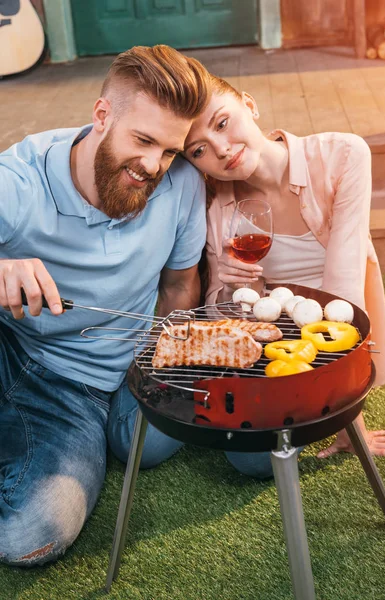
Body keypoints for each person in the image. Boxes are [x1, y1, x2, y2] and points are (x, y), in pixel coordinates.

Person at [0, 45, 212, 566]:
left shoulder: (181, 185)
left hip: (82, 393)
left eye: (168, 150)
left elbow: (181, 287)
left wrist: (159, 366)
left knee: (31, 536)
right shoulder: (18, 180)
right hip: (11, 346)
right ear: (101, 116)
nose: (152, 166)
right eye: (142, 141)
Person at [183, 74, 385, 476]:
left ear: (249, 104)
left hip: (336, 330)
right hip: (275, 341)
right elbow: (216, 310)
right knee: (250, 461)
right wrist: (235, 288)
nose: (222, 149)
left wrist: (351, 424)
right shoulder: (217, 207)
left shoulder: (343, 155)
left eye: (223, 123)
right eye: (199, 150)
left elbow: (344, 291)